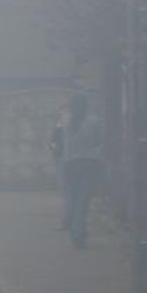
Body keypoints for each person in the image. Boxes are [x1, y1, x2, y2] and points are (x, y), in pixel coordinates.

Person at [60, 92, 105, 249]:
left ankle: (74, 226)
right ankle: (78, 233)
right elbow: (100, 142)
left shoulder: (66, 122)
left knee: (72, 198)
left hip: (69, 165)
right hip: (88, 165)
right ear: (86, 105)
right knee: (83, 201)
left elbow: (61, 144)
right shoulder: (94, 121)